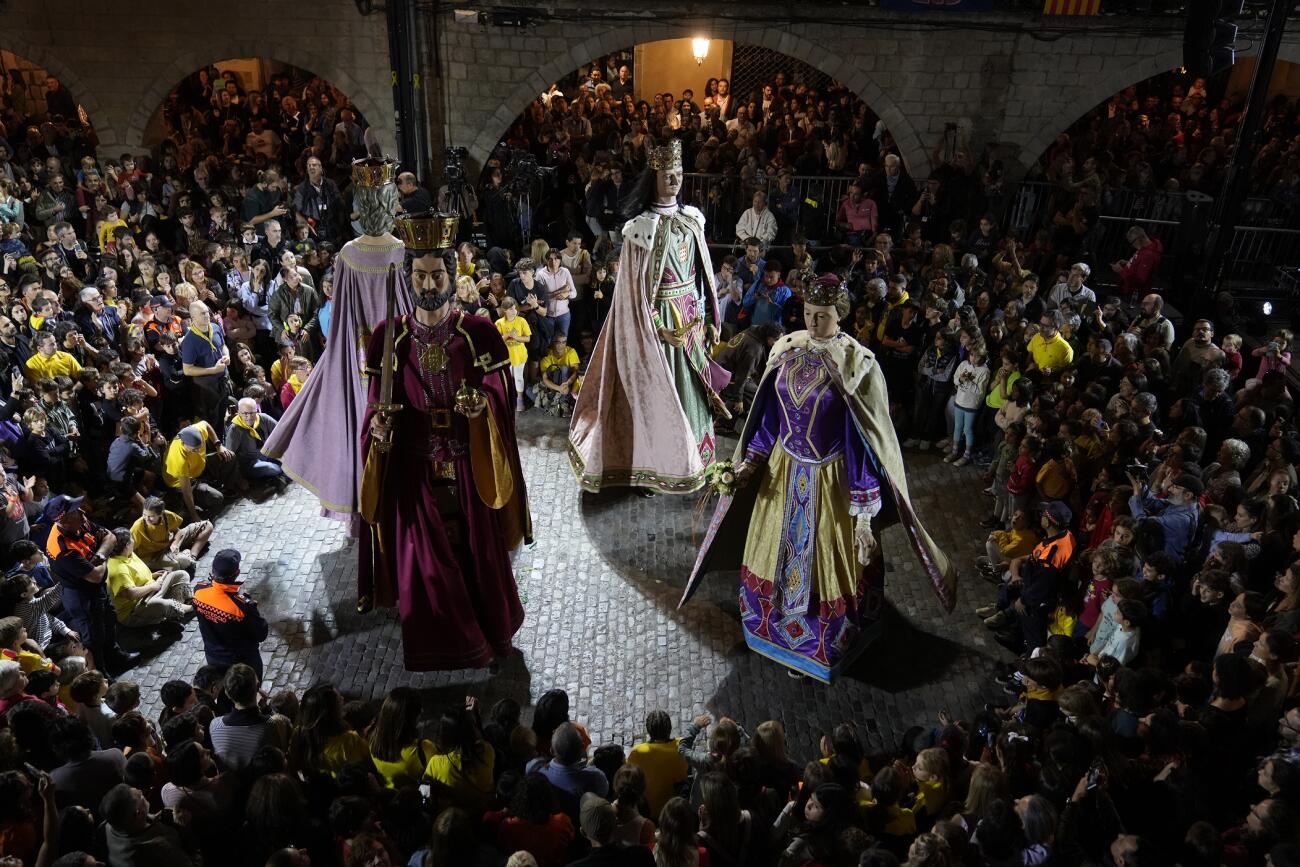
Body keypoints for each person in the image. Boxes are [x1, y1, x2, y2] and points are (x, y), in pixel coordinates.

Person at [684, 275, 956, 681]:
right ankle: (775, 633)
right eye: (809, 314)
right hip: (783, 469)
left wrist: (863, 515)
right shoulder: (786, 351)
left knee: (824, 567)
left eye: (823, 316)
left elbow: (861, 442)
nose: (813, 323)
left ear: (839, 316)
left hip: (830, 481)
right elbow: (770, 419)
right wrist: (749, 463)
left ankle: (821, 642)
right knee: (770, 553)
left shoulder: (855, 366)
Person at [358, 211, 530, 670]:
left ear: (454, 276)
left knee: (478, 556)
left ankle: (490, 633)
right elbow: (376, 402)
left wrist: (481, 408)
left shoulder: (478, 332)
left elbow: (500, 393)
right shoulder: (386, 338)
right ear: (409, 278)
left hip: (467, 460)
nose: (429, 283)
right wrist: (376, 429)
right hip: (414, 469)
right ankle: (444, 645)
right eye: (420, 274)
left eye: (437, 274)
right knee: (427, 567)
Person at [569, 140, 732, 494]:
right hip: (657, 325)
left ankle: (696, 459)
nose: (673, 180)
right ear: (653, 179)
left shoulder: (692, 221)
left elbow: (702, 275)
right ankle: (654, 468)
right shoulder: (641, 229)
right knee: (659, 394)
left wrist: (708, 318)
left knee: (693, 395)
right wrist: (657, 328)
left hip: (690, 317)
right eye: (666, 175)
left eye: (678, 174)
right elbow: (632, 292)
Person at [263, 158, 413, 521]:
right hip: (396, 351)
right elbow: (408, 307)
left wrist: (341, 354)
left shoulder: (349, 253)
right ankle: (397, 502)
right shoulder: (400, 249)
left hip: (359, 354)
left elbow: (343, 314)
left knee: (362, 424)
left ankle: (365, 504)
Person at [45, 495, 139, 676]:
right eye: (75, 510)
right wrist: (104, 554)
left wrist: (99, 557)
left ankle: (116, 658)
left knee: (109, 621)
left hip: (97, 589)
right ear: (64, 519)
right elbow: (95, 575)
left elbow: (111, 537)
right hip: (81, 597)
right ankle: (103, 674)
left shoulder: (81, 522)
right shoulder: (63, 548)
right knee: (93, 638)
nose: (82, 511)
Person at [193, 549, 269, 678]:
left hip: (213, 658)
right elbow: (261, 633)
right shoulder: (242, 607)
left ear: (213, 571)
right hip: (243, 664)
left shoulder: (199, 590)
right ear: (237, 573)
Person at [179, 301, 232, 435]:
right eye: (202, 313)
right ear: (193, 318)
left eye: (207, 312)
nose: (206, 315)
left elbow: (223, 346)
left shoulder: (215, 327)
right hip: (206, 387)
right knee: (211, 421)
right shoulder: (189, 341)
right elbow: (187, 369)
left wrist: (226, 355)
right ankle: (215, 449)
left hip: (223, 380)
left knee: (223, 416)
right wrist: (213, 370)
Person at [224, 397, 289, 490]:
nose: (249, 417)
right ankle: (279, 474)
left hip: (268, 455)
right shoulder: (235, 429)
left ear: (256, 410)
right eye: (245, 413)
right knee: (273, 468)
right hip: (250, 463)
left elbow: (281, 432)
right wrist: (239, 479)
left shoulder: (263, 418)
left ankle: (279, 475)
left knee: (290, 461)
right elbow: (230, 456)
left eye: (252, 413)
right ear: (239, 412)